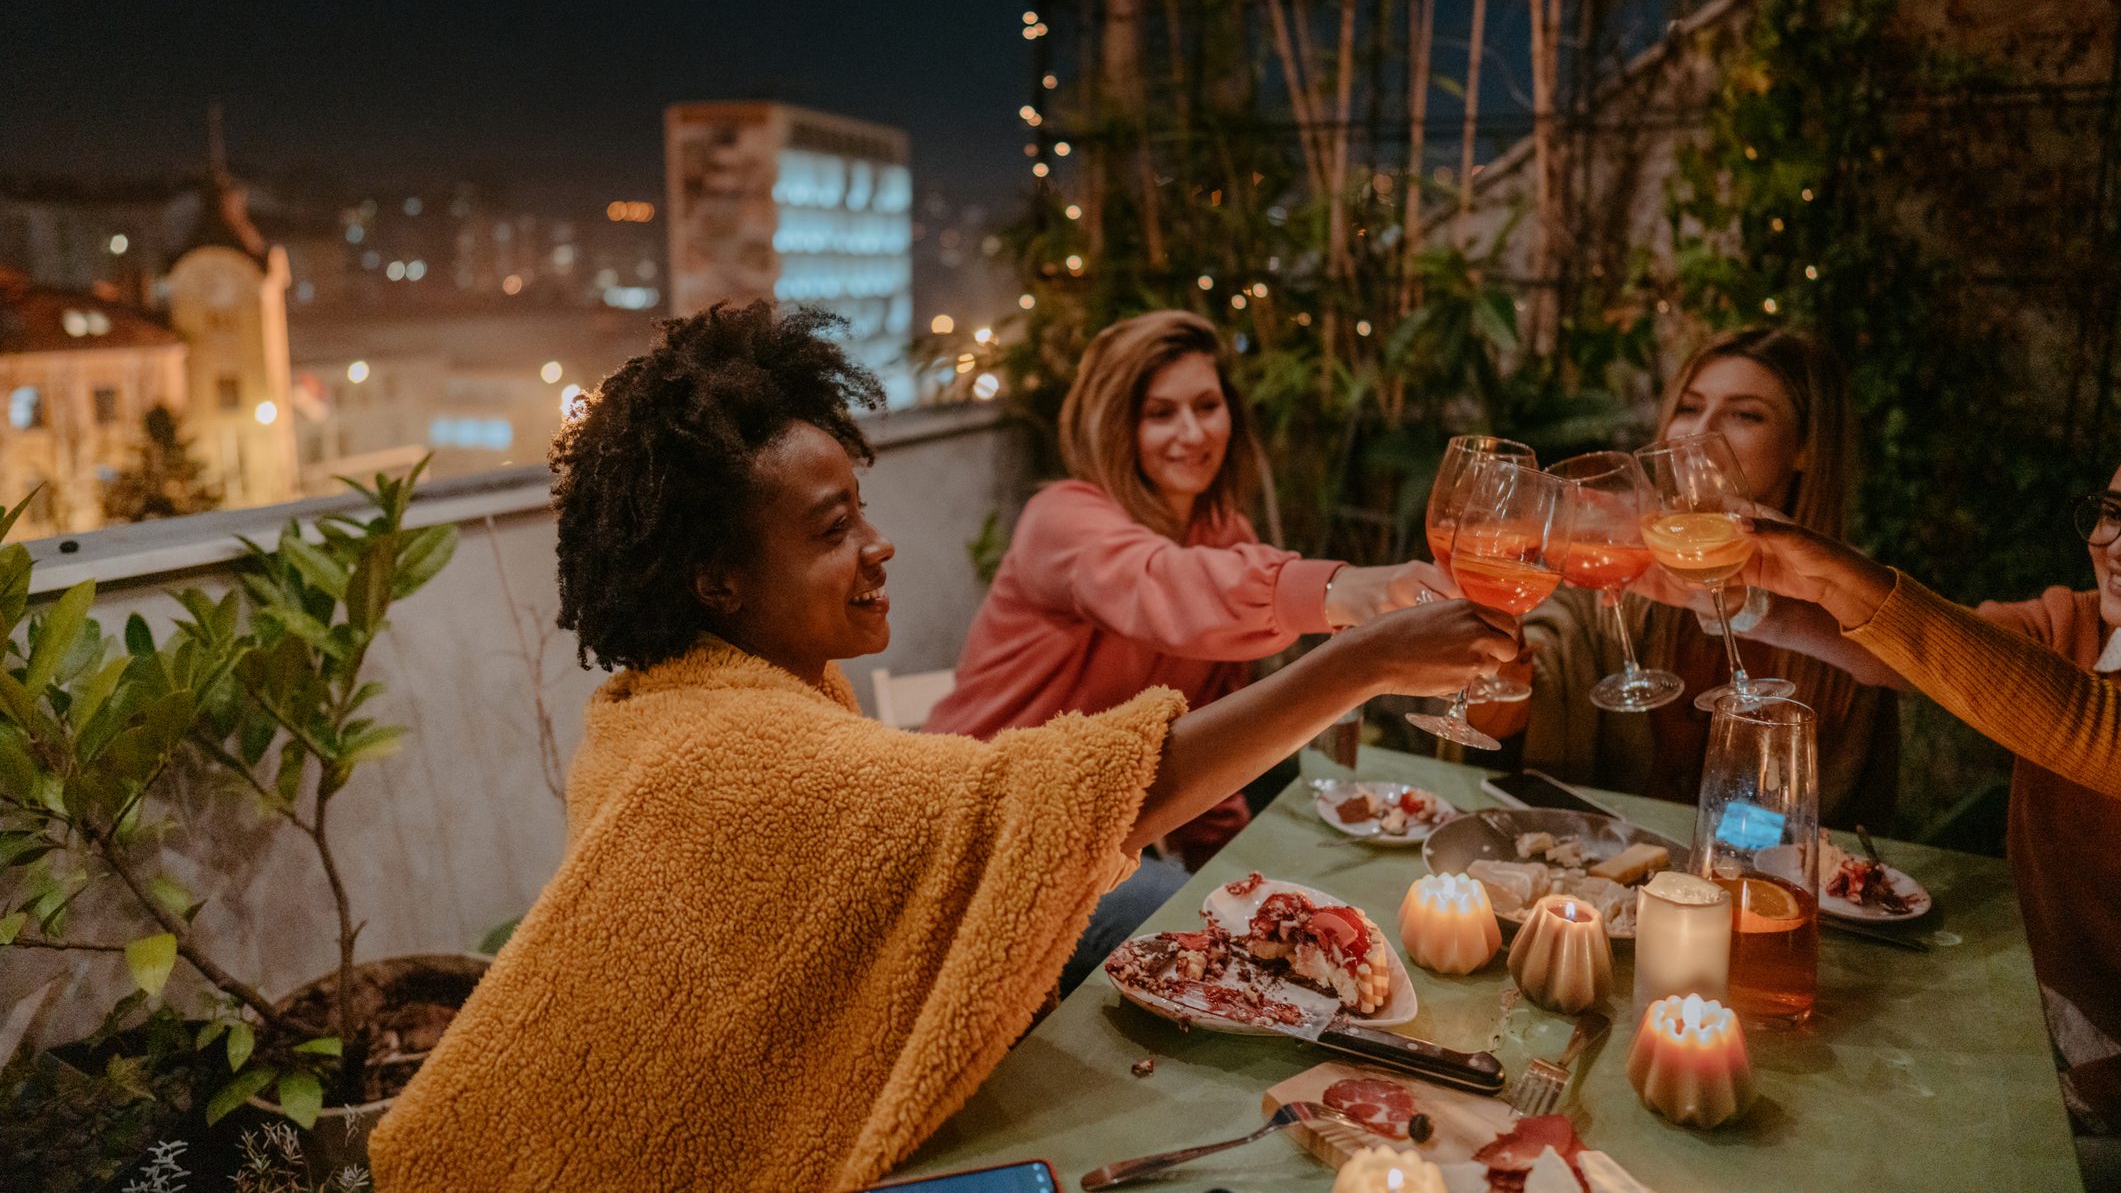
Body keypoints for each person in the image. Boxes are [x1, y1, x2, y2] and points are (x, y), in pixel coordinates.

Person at [367, 303, 1519, 1192]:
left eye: (862, 508)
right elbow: (1098, 780)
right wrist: (1361, 651)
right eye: (833, 530)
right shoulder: (728, 744)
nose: (881, 546)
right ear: (715, 580)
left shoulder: (708, 693)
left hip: (1017, 831)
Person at [923, 310, 1454, 986]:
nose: (1193, 433)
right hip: (991, 833)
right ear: (1118, 427)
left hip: (1095, 838)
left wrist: (1227, 871)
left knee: (1272, 923)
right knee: (1199, 936)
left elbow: (1207, 721)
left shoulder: (1220, 532)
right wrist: (1343, 591)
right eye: (1160, 414)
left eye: (1207, 406)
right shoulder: (1063, 517)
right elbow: (1162, 589)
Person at [1739, 498, 2121, 1138]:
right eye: (2112, 513)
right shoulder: (2080, 623)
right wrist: (1749, 604)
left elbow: (2085, 722)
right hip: (2027, 1009)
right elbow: (1916, 656)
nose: (2115, 545)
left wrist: (1839, 575)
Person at [1477, 327, 1899, 828]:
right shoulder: (1632, 574)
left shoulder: (1859, 601)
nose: (1700, 431)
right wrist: (1500, 649)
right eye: (1689, 407)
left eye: (1745, 414)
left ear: (1805, 447)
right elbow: (1535, 680)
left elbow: (1848, 820)